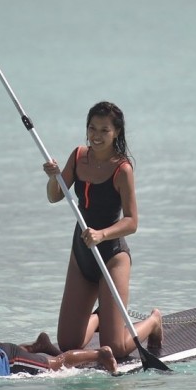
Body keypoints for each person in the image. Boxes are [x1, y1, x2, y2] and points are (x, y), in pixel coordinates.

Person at [42, 101, 163, 359]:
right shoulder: (78, 156)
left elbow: (131, 222)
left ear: (116, 132)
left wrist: (102, 234)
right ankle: (100, 317)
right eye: (92, 128)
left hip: (112, 256)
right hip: (82, 254)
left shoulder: (122, 169)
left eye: (104, 130)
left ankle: (153, 321)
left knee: (115, 349)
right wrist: (53, 178)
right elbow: (54, 196)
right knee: (68, 343)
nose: (96, 136)